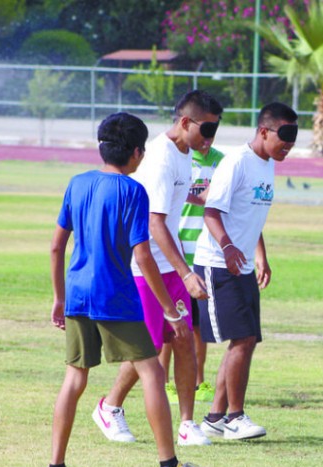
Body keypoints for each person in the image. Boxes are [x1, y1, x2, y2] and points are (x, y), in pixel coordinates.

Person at [45, 112, 216, 467]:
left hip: (76, 294)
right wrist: (171, 310)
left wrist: (59, 298)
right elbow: (143, 257)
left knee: (75, 378)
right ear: (137, 153)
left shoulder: (77, 183)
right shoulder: (133, 191)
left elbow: (57, 246)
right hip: (115, 295)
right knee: (153, 372)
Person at [91, 90, 223, 447]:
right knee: (146, 348)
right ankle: (109, 406)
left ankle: (187, 424)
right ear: (185, 122)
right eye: (206, 129)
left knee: (183, 342)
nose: (210, 138)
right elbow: (155, 224)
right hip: (144, 266)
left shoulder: (185, 155)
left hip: (170, 262)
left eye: (216, 130)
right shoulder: (162, 159)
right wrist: (186, 272)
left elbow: (174, 208)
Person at [195, 102, 298, 440]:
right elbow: (212, 211)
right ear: (264, 131)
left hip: (240, 264)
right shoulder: (236, 162)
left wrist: (260, 255)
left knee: (247, 340)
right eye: (284, 136)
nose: (289, 145)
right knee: (241, 339)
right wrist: (227, 246)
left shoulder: (266, 164)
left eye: (293, 138)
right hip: (218, 262)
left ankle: (215, 417)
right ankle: (234, 416)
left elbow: (249, 216)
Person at [159, 145, 226, 405]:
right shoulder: (178, 161)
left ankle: (199, 381)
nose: (206, 141)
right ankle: (164, 383)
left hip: (204, 254)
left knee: (198, 325)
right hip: (175, 254)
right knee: (170, 324)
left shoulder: (221, 162)